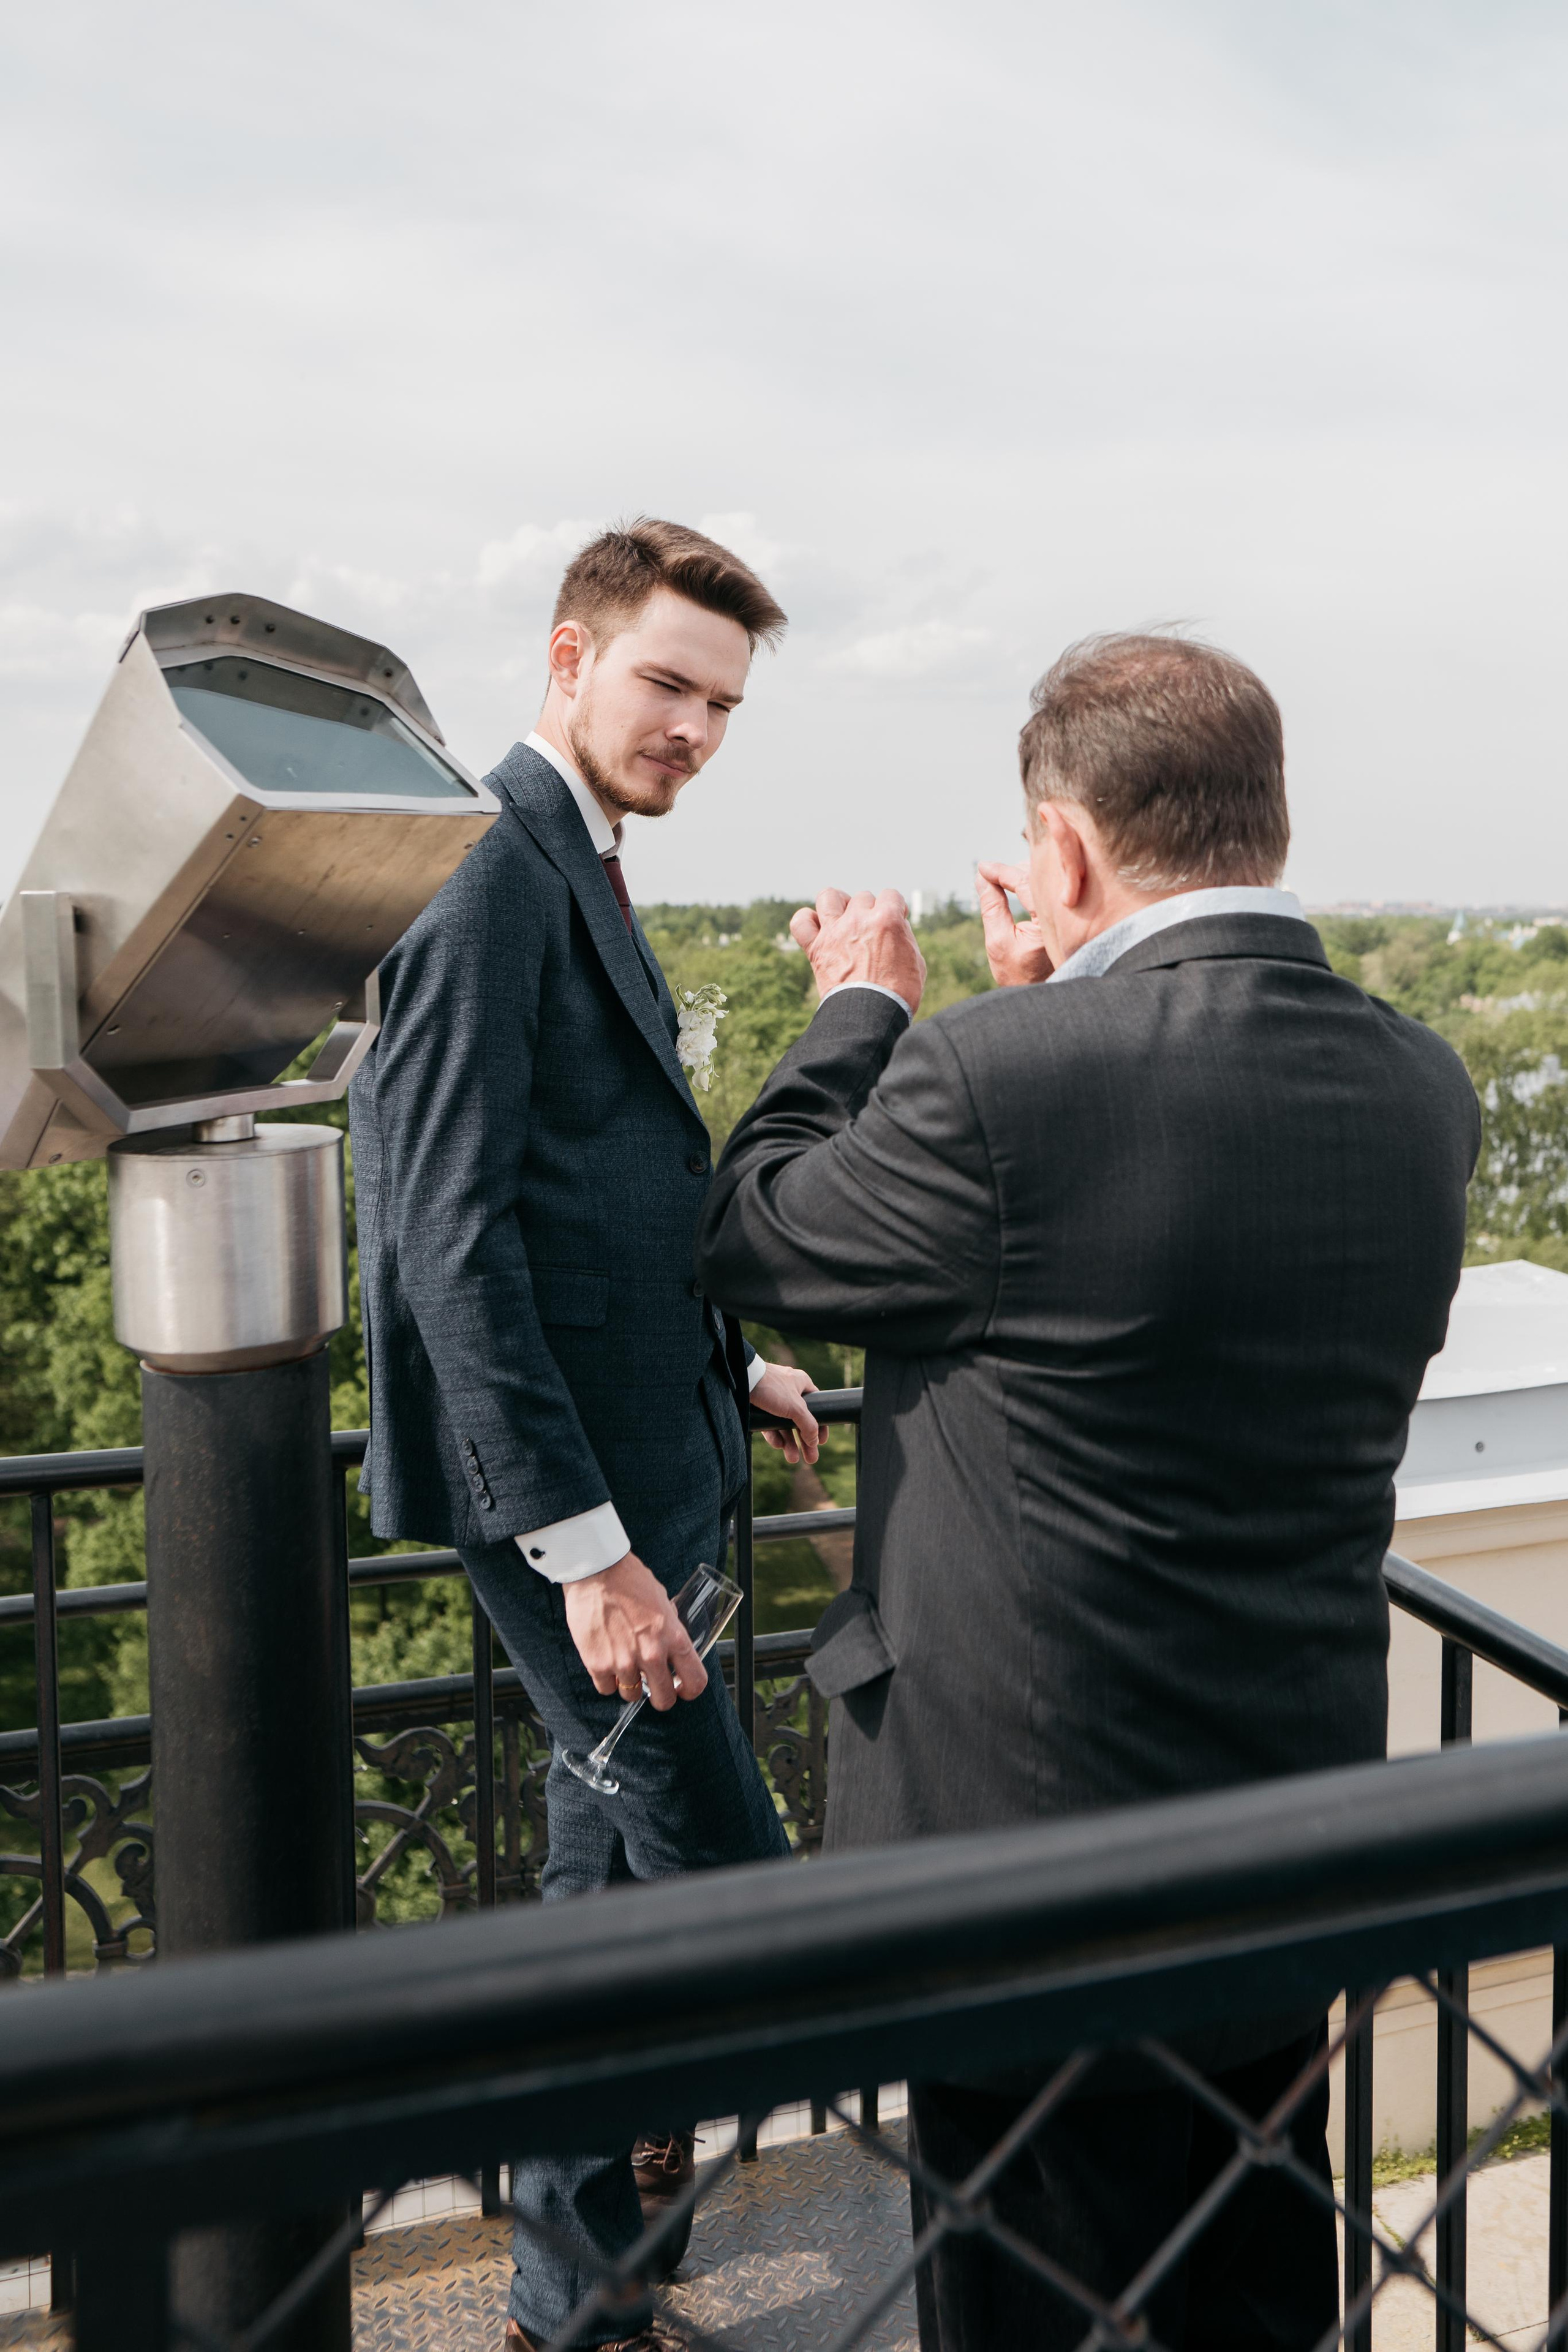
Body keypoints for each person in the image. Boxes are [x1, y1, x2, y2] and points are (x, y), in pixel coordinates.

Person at [694, 632, 1479, 2350]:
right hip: (1294, 1842)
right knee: (1252, 2290)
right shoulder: (1425, 1083)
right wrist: (1054, 995)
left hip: (1030, 1885)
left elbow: (755, 1228)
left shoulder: (995, 1074)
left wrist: (865, 1005)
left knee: (1030, 2305)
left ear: (1059, 852)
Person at [349, 519, 818, 2352]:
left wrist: (735, 1365)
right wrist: (591, 1555)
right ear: (568, 659)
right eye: (666, 683)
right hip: (578, 1527)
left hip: (652, 1458)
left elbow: (608, 1189)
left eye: (722, 703)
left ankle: (582, 2298)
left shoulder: (581, 863)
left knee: (593, 1905)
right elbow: (446, 1239)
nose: (694, 726)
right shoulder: (483, 874)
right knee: (743, 1904)